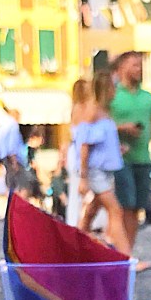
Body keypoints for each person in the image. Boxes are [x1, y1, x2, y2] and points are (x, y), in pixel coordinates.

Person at [108, 51, 151, 261]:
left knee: (136, 208)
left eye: (140, 65)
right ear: (122, 68)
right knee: (125, 206)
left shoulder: (148, 98)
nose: (139, 69)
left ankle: (126, 253)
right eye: (134, 65)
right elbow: (99, 124)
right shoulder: (113, 95)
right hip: (119, 160)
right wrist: (122, 128)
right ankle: (123, 255)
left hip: (143, 159)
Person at [76, 71, 130, 255]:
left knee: (91, 211)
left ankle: (75, 246)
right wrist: (83, 177)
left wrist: (116, 149)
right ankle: (126, 257)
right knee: (115, 210)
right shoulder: (93, 112)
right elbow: (84, 144)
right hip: (96, 171)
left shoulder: (105, 112)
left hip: (104, 170)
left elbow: (100, 141)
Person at [66, 78, 94, 226]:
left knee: (75, 190)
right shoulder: (85, 110)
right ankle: (85, 221)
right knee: (88, 186)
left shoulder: (74, 109)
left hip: (73, 151)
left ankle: (74, 220)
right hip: (81, 150)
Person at [0, 107, 26, 187]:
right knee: (17, 180)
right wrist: (14, 159)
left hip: (3, 155)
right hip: (12, 157)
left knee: (8, 178)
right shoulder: (13, 125)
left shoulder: (1, 126)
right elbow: (12, 143)